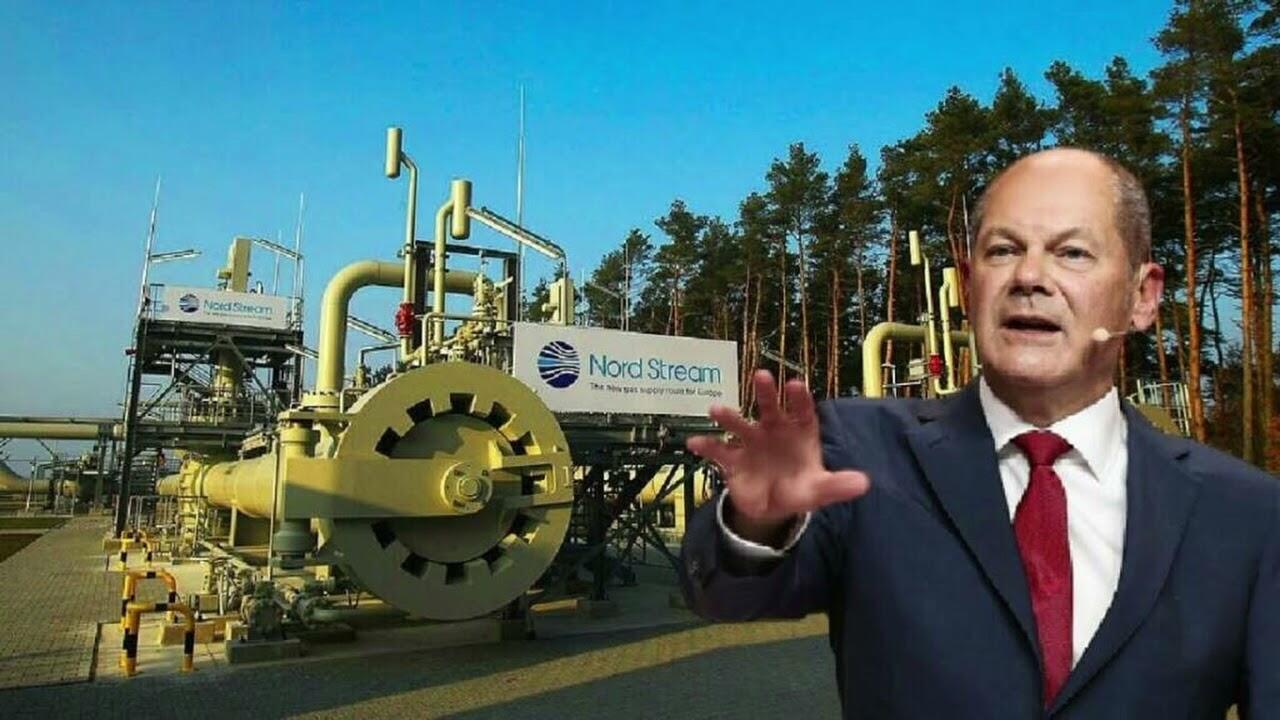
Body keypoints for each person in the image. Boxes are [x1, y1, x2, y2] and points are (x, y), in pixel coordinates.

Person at [681, 148, 1279, 719]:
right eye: (1003, 250)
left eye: (1072, 253)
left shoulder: (1247, 514)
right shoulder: (862, 451)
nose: (1029, 276)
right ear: (968, 286)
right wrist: (756, 525)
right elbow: (727, 595)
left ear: (1142, 297)